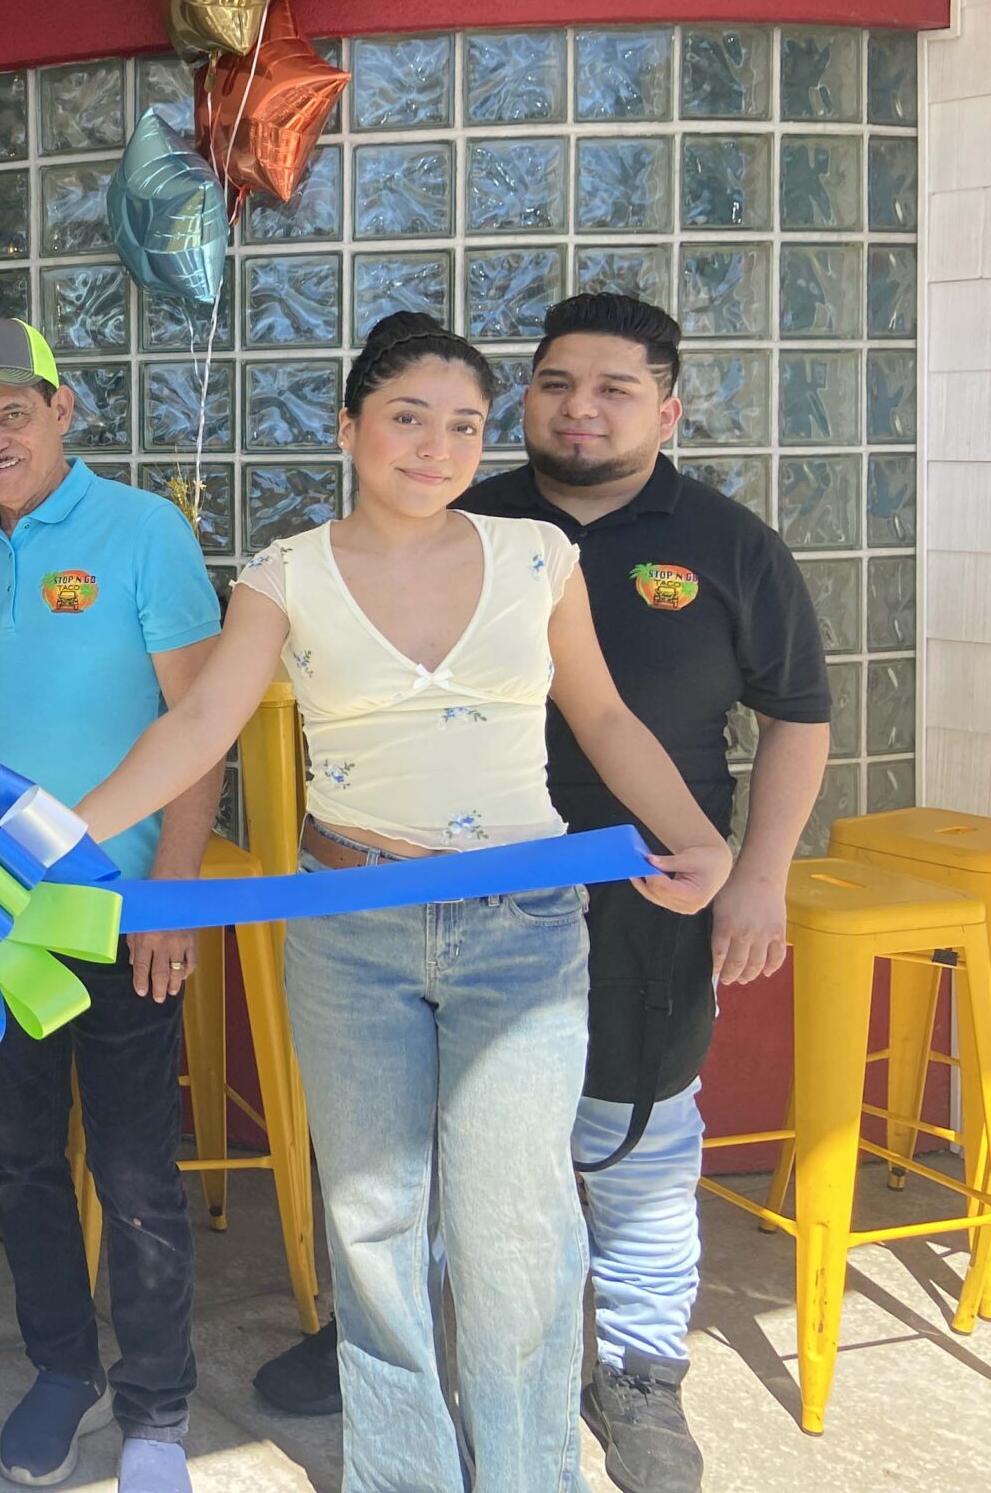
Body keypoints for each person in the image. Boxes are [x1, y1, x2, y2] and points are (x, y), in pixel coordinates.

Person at [75, 311, 738, 1493]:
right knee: (375, 1230)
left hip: (523, 929)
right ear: (349, 428)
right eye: (406, 418)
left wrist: (699, 840)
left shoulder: (538, 557)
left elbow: (603, 718)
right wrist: (54, 846)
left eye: (463, 426)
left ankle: (528, 1477)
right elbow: (193, 727)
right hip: (351, 924)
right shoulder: (284, 575)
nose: (434, 446)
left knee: (517, 1233)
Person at [248, 297, 833, 1493]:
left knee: (612, 1148)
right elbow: (235, 710)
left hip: (605, 891)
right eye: (555, 383)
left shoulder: (702, 543)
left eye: (614, 388)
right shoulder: (399, 532)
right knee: (394, 1197)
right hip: (391, 899)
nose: (579, 406)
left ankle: (627, 1378)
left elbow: (745, 717)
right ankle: (407, 1419)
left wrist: (744, 870)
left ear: (665, 408)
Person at [0, 317, 226, 1493]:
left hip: (116, 909)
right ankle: (63, 1369)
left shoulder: (144, 531)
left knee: (136, 1168)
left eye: (13, 412)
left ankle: (156, 1411)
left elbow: (199, 732)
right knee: (16, 1157)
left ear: (64, 411)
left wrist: (170, 896)